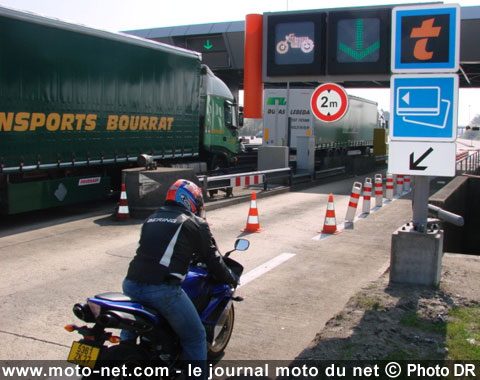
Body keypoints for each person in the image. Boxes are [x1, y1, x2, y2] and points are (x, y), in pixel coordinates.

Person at [120, 179, 238, 378]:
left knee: (130, 329)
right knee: (195, 337)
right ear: (190, 200)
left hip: (130, 284)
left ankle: (126, 354)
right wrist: (230, 278)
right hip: (161, 290)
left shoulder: (152, 218)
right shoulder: (194, 222)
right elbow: (212, 258)